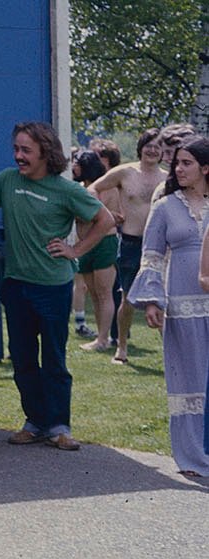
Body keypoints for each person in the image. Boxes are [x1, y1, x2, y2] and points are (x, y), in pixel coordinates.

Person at [0, 122, 114, 451]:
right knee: (23, 358)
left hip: (53, 286)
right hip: (17, 284)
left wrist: (75, 250)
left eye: (26, 150)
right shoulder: (7, 180)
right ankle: (35, 422)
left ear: (46, 152)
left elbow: (106, 220)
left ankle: (59, 427)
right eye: (16, 149)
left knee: (54, 359)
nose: (18, 156)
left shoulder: (66, 190)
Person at [126, 137, 209, 477]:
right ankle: (193, 456)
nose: (178, 169)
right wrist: (152, 301)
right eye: (177, 163)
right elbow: (152, 257)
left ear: (206, 168)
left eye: (187, 163)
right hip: (181, 307)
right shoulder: (164, 207)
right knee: (188, 380)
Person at [92, 129, 165, 364]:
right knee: (128, 299)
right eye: (148, 145)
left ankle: (170, 350)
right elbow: (93, 188)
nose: (152, 150)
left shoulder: (168, 178)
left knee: (164, 300)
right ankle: (121, 347)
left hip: (161, 245)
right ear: (140, 148)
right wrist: (106, 213)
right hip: (131, 243)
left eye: (157, 146)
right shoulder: (125, 172)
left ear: (163, 151)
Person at [71, 150, 116, 351]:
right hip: (85, 244)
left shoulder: (106, 188)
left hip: (104, 243)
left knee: (104, 292)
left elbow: (93, 215)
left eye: (77, 163)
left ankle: (104, 339)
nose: (73, 167)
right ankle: (101, 336)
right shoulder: (81, 188)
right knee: (94, 294)